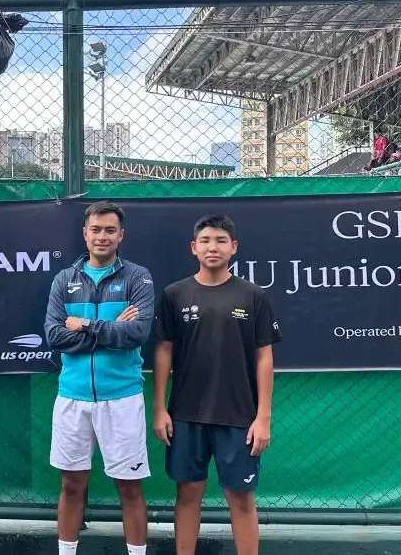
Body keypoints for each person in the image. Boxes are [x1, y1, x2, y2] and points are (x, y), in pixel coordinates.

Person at [152, 214, 280, 555]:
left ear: (233, 248)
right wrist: (160, 408)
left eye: (221, 241)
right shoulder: (174, 294)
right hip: (185, 415)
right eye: (206, 240)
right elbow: (163, 351)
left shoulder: (253, 295)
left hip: (239, 416)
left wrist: (263, 416)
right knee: (188, 494)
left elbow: (264, 358)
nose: (213, 247)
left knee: (240, 497)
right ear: (194, 247)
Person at [45, 201, 155, 555]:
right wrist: (111, 328)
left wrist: (87, 325)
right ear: (85, 234)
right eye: (96, 229)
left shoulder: (138, 277)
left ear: (121, 235)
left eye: (110, 230)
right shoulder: (64, 280)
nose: (102, 237)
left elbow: (136, 334)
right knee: (72, 485)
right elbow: (55, 336)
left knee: (129, 487)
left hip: (121, 397)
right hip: (73, 396)